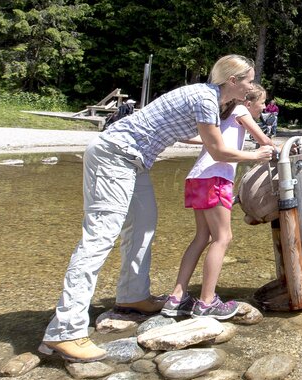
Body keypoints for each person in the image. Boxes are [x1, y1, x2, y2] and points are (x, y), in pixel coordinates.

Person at [39, 55, 274, 363]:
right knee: (99, 239)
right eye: (248, 80)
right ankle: (65, 332)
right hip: (115, 155)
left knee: (144, 225)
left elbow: (198, 138)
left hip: (136, 161)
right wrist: (256, 157)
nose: (251, 86)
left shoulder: (209, 100)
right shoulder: (206, 98)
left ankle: (132, 296)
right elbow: (216, 150)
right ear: (233, 81)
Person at [163, 84, 272, 320]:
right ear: (249, 101)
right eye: (262, 102)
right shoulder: (240, 111)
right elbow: (264, 141)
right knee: (223, 238)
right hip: (216, 178)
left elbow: (197, 139)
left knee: (202, 237)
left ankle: (176, 298)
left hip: (196, 178)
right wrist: (284, 149)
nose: (264, 107)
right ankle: (206, 302)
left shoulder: (221, 116)